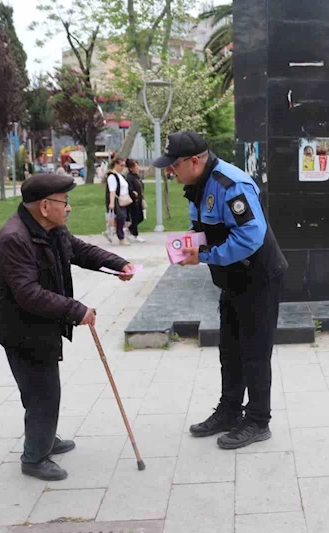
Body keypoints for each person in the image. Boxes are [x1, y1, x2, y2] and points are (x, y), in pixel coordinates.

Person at [0, 173, 135, 481]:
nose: (68, 208)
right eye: (64, 202)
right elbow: (27, 294)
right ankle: (34, 457)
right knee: (43, 393)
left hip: (39, 323)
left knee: (39, 389)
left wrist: (117, 263)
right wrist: (76, 310)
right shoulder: (15, 238)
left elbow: (80, 251)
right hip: (20, 328)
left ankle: (43, 438)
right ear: (45, 206)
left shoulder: (50, 229)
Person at [153, 131, 288, 449]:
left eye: (173, 166)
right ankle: (229, 411)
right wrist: (188, 244)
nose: (170, 172)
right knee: (230, 350)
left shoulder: (231, 184)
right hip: (233, 280)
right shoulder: (197, 185)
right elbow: (202, 227)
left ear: (194, 161)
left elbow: (250, 236)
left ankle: (257, 420)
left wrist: (205, 255)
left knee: (254, 354)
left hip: (258, 278)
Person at [104, 158, 131, 246]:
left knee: (123, 217)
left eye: (124, 165)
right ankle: (121, 237)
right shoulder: (112, 176)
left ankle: (116, 233)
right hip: (116, 200)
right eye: (121, 165)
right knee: (121, 217)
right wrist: (111, 203)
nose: (123, 167)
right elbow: (112, 190)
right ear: (116, 165)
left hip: (123, 199)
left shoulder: (120, 176)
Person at [125, 159, 146, 243]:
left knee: (141, 217)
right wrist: (133, 193)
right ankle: (135, 234)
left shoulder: (137, 176)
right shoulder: (129, 178)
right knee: (135, 217)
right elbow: (129, 189)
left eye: (137, 165)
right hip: (133, 201)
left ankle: (129, 229)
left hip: (139, 200)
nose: (137, 167)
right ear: (131, 168)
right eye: (135, 166)